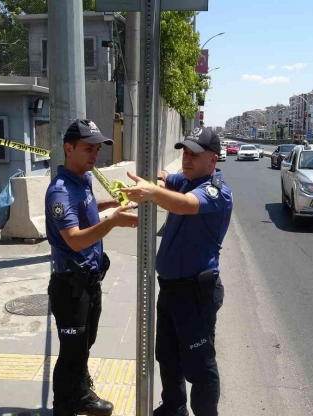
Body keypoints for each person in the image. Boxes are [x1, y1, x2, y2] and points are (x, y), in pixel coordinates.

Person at [121, 128, 233, 416]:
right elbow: (163, 178)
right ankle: (173, 408)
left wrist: (152, 192)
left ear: (213, 160)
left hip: (195, 292)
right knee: (167, 356)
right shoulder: (187, 180)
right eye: (184, 152)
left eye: (195, 154)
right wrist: (149, 177)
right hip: (171, 288)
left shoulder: (216, 190)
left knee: (199, 363)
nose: (187, 158)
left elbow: (185, 206)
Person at [45, 119, 138, 416]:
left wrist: (111, 204)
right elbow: (73, 240)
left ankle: (81, 396)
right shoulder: (60, 191)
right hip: (70, 285)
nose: (94, 155)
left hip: (88, 281)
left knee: (84, 345)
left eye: (97, 149)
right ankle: (64, 408)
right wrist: (112, 222)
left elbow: (85, 208)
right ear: (68, 148)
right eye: (88, 148)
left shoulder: (81, 179)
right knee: (71, 353)